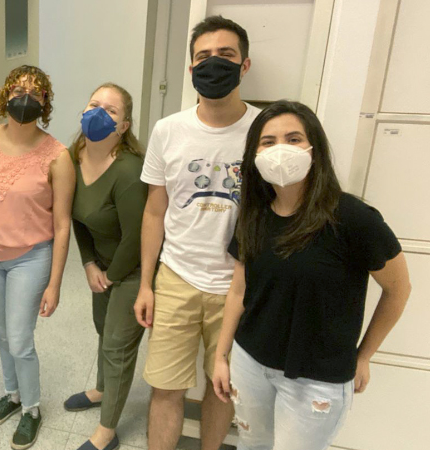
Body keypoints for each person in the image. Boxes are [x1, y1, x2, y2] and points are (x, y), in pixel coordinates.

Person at [211, 100, 411, 450]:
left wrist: (363, 356)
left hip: (317, 378)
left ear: (313, 149)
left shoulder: (352, 217)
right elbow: (239, 290)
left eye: (293, 138)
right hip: (251, 363)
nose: (281, 150)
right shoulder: (253, 214)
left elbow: (398, 289)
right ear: (254, 155)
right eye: (268, 142)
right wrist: (220, 355)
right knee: (251, 445)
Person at [134, 16, 260, 450]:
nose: (214, 63)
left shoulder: (265, 133)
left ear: (245, 65)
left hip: (239, 287)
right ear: (191, 69)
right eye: (203, 56)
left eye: (225, 55)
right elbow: (154, 212)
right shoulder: (168, 130)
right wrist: (146, 283)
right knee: (166, 388)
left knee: (222, 387)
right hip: (177, 278)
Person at [0, 65, 75, 450]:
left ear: (45, 103)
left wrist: (55, 283)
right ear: (4, 95)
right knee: (1, 335)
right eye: (18, 88)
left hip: (31, 257)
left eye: (35, 91)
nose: (25, 96)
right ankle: (11, 394)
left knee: (20, 339)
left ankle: (32, 409)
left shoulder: (57, 156)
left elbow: (62, 225)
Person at [63, 83, 147, 450]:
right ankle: (101, 389)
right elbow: (77, 217)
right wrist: (88, 263)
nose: (99, 112)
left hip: (135, 268)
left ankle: (107, 430)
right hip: (104, 264)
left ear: (124, 126)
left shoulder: (128, 170)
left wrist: (111, 276)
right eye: (94, 104)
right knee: (103, 328)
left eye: (111, 110)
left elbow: (136, 237)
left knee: (117, 345)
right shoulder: (73, 157)